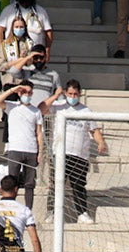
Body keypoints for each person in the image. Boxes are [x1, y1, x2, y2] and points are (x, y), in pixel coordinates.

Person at [41, 79, 107, 223]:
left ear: (80, 94)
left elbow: (94, 130)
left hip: (80, 155)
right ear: (65, 93)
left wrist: (101, 142)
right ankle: (51, 212)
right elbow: (41, 109)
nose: (72, 97)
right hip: (59, 154)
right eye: (70, 93)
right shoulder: (58, 106)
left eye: (75, 94)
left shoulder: (86, 111)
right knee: (56, 184)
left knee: (78, 185)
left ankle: (82, 213)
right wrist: (54, 96)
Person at [0, 80, 43, 209]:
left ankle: (28, 210)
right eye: (24, 91)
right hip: (15, 149)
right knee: (12, 181)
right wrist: (13, 90)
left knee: (29, 183)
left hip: (31, 149)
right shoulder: (12, 106)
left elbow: (39, 133)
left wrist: (40, 152)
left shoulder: (36, 111)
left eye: (30, 92)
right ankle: (11, 207)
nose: (27, 94)